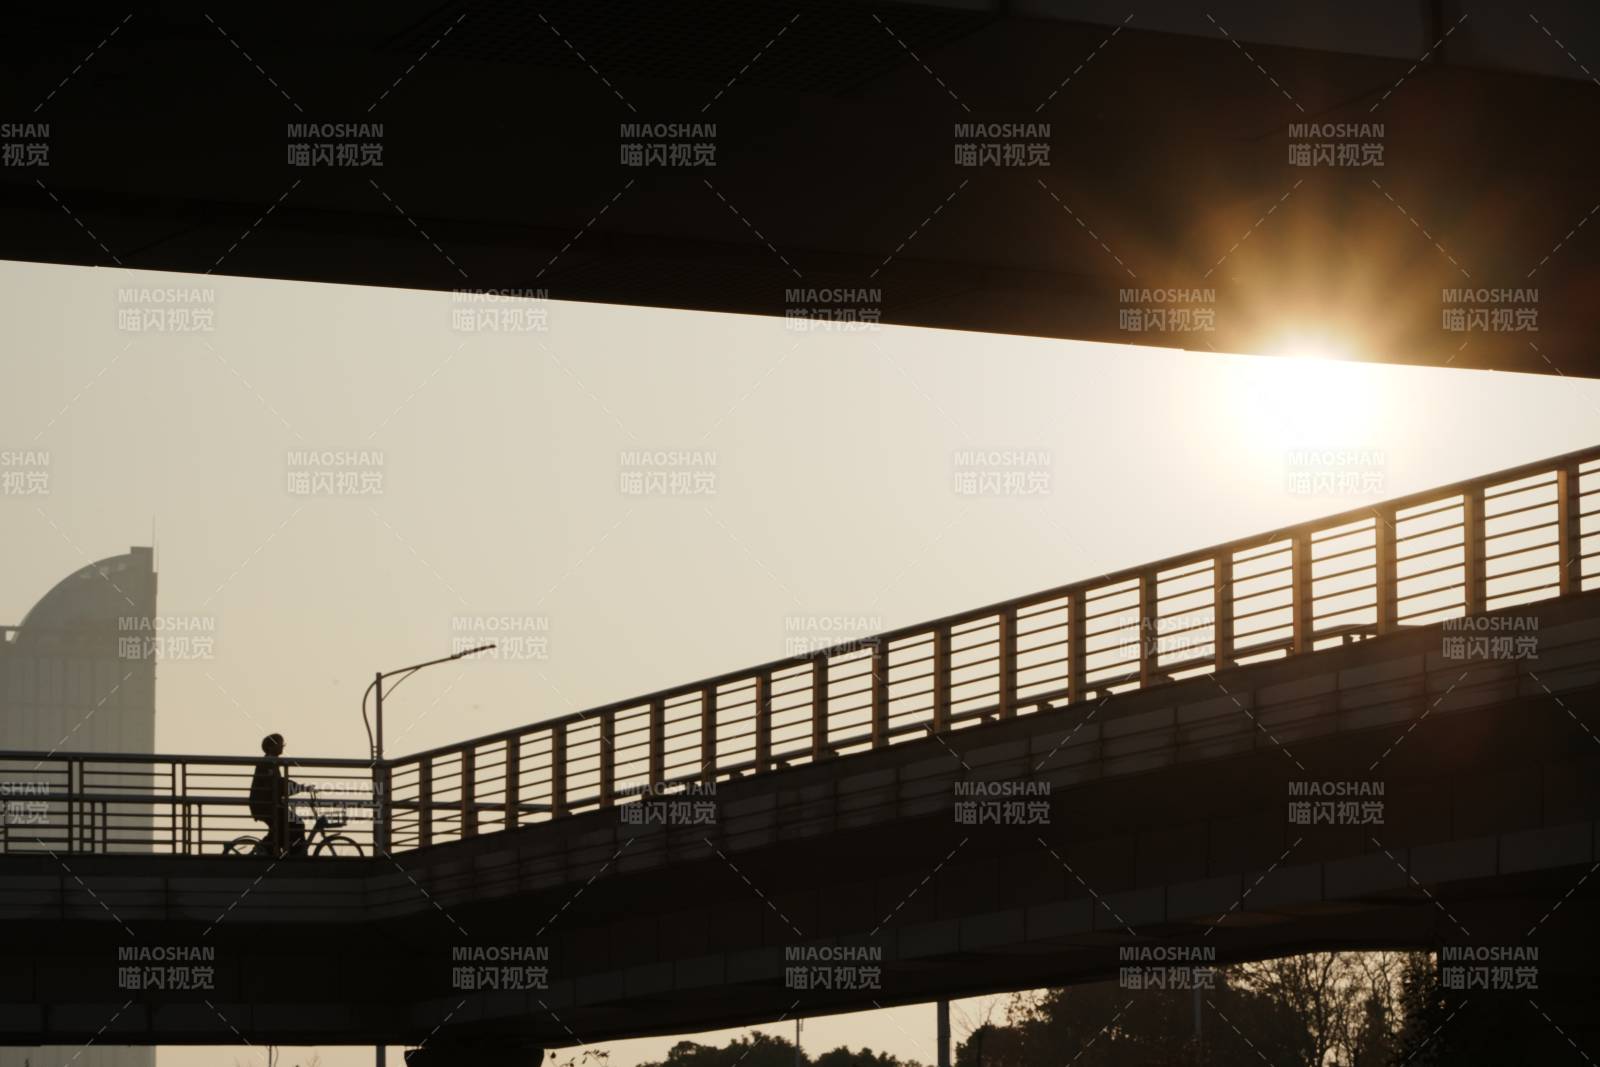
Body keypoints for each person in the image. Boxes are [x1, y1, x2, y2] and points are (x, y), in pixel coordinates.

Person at [249, 733, 306, 856]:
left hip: (268, 804)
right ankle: (289, 852)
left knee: (286, 825)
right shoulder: (268, 763)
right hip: (265, 805)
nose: (282, 747)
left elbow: (279, 784)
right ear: (271, 747)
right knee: (294, 824)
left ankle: (273, 849)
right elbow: (277, 783)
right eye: (280, 744)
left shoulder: (271, 762)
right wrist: (299, 787)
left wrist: (297, 787)